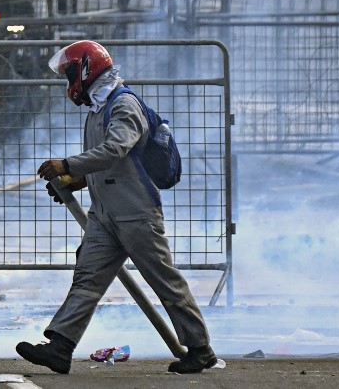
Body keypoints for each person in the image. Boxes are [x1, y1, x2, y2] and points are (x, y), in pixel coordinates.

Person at [15, 40, 217, 375]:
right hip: (106, 216)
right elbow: (111, 164)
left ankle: (200, 349)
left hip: (136, 214)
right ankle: (60, 348)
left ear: (84, 70)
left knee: (164, 281)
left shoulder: (123, 104)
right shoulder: (99, 108)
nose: (68, 84)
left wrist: (67, 165)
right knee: (87, 279)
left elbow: (115, 151)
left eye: (69, 75)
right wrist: (78, 181)